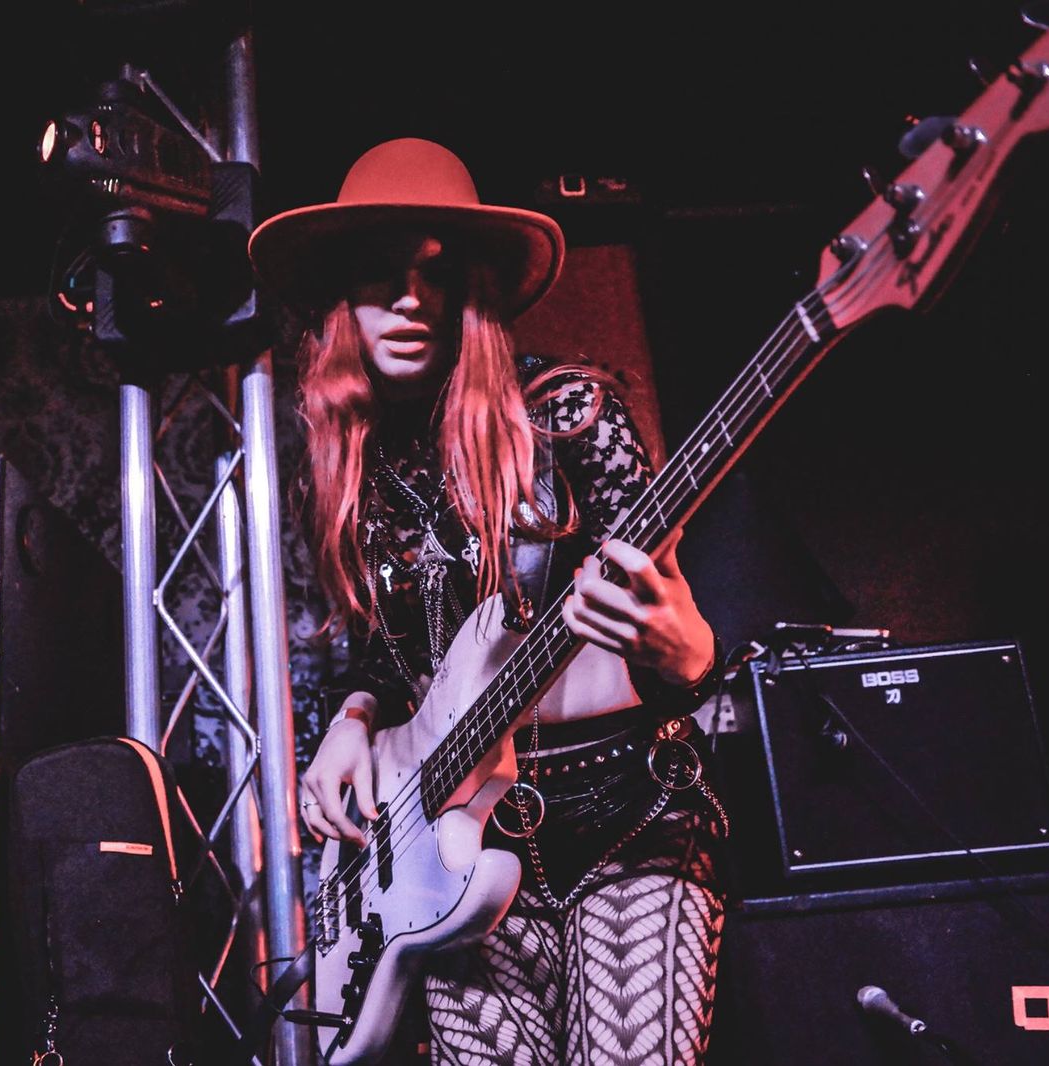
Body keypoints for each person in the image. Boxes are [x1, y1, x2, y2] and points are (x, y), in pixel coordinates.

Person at [248, 137, 729, 1065]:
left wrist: (689, 656)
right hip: (454, 848)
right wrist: (353, 717)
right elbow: (385, 651)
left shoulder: (570, 414)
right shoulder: (350, 462)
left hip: (622, 821)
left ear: (474, 291)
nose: (409, 299)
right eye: (380, 273)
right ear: (341, 299)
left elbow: (666, 620)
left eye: (436, 273)